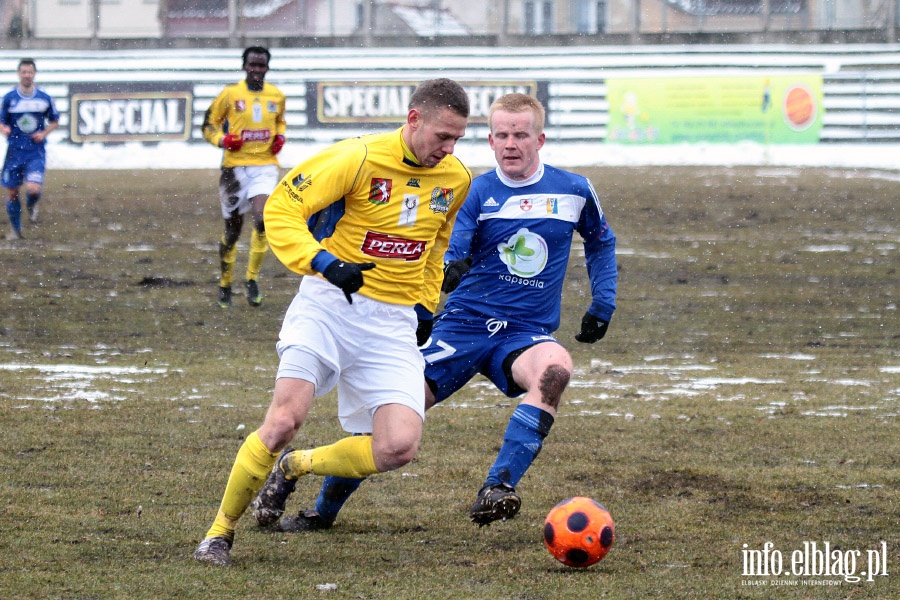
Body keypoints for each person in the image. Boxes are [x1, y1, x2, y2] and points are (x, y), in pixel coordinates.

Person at [267, 93, 617, 533]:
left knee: (555, 372)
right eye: (502, 135)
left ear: (539, 139)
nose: (511, 144)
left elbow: (602, 241)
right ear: (490, 140)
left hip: (524, 333)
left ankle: (498, 487)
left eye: (521, 135)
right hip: (462, 327)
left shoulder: (574, 190)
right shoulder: (474, 188)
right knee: (391, 423)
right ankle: (318, 502)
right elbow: (448, 239)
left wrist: (603, 301)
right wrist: (452, 269)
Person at [193, 77, 472, 566]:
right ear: (414, 119)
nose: (447, 149)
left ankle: (298, 466)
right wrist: (322, 262)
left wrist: (427, 306)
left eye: (456, 140)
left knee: (398, 447)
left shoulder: (455, 178)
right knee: (283, 421)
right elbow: (283, 206)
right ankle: (219, 532)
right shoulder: (358, 157)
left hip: (392, 325)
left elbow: (436, 245)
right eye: (441, 137)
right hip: (328, 307)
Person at [201, 46, 286, 308]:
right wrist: (223, 140)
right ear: (244, 66)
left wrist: (280, 136)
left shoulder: (277, 95)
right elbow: (208, 125)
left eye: (261, 65)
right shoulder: (230, 94)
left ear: (267, 68)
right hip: (234, 171)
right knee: (232, 232)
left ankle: (252, 279)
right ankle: (225, 282)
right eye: (253, 65)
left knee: (262, 220)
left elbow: (280, 121)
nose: (257, 70)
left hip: (265, 166)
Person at [1, 58, 60, 241]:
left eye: (30, 72)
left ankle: (32, 205)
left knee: (33, 189)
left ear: (34, 74)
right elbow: (1, 121)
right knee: (12, 192)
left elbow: (55, 120)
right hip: (15, 151)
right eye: (24, 72)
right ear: (19, 74)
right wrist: (4, 129)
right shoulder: (10, 99)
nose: (27, 75)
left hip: (35, 151)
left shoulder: (44, 98)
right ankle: (16, 229)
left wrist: (44, 133)